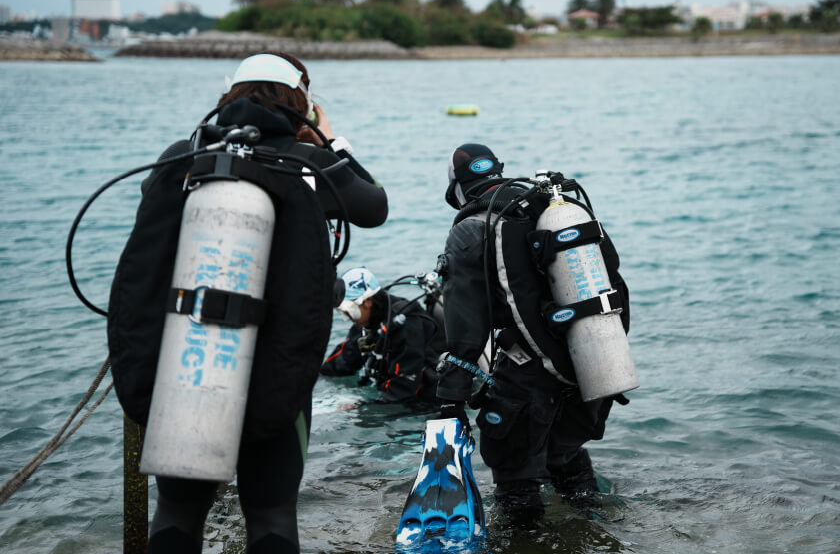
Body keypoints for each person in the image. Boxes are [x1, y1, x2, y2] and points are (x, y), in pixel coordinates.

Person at [106, 51, 388, 553]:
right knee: (271, 511)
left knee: (178, 510)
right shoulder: (310, 162)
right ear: (300, 101)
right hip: (278, 367)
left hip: (189, 359)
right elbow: (374, 206)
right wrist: (329, 138)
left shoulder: (185, 158)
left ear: (227, 96)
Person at [434, 143, 631, 521]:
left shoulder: (472, 228)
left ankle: (530, 542)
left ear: (457, 188)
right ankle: (603, 533)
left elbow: (465, 324)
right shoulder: (548, 206)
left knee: (515, 477)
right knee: (566, 457)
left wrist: (451, 400)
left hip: (527, 379)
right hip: (589, 362)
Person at [322, 267, 445, 405]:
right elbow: (341, 362)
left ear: (367, 301)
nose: (347, 317)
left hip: (428, 398)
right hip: (393, 394)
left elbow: (403, 388)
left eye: (348, 311)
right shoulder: (366, 323)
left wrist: (361, 406)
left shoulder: (407, 325)